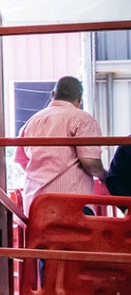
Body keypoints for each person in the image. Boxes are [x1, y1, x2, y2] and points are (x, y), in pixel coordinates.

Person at [13, 76, 107, 217]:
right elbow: (90, 163)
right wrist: (107, 177)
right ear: (80, 99)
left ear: (52, 95)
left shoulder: (31, 122)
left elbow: (22, 161)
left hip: (36, 207)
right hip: (72, 206)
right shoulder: (83, 120)